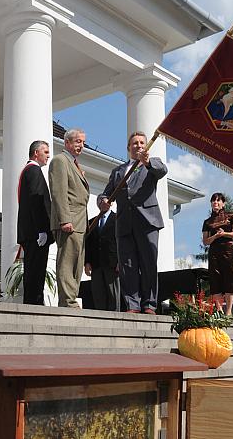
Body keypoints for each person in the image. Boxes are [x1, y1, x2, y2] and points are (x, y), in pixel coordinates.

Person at [100, 131, 167, 314]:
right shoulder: (118, 171)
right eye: (134, 143)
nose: (138, 145)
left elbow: (162, 171)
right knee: (128, 266)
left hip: (148, 221)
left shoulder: (153, 164)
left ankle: (149, 304)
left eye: (141, 143)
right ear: (128, 148)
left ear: (145, 146)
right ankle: (132, 304)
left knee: (148, 263)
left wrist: (147, 162)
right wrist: (102, 201)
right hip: (124, 224)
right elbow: (105, 194)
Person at [48, 128, 89, 308]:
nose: (81, 145)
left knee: (77, 264)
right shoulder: (60, 161)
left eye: (82, 142)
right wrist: (64, 219)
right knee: (67, 262)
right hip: (69, 221)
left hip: (79, 222)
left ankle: (71, 298)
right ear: (67, 143)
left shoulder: (74, 164)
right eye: (77, 141)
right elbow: (58, 192)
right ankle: (67, 301)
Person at [16, 140, 53, 305]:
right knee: (36, 272)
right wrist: (41, 229)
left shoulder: (27, 171)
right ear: (36, 153)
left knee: (32, 271)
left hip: (30, 231)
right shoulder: (34, 171)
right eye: (45, 152)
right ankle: (35, 304)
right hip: (35, 232)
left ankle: (32, 302)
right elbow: (37, 201)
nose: (48, 155)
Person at [202, 192, 233, 315]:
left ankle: (228, 311)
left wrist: (224, 234)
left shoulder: (231, 216)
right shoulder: (207, 222)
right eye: (213, 201)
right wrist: (215, 236)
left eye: (218, 201)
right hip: (214, 251)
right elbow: (205, 241)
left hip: (228, 250)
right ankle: (219, 310)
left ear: (223, 203)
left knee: (229, 279)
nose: (215, 203)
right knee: (215, 279)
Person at [84, 195, 120, 311]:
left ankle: (115, 320)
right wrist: (87, 262)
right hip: (96, 264)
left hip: (112, 263)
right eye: (98, 200)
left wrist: (120, 261)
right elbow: (88, 244)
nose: (101, 201)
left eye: (103, 199)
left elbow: (121, 242)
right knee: (98, 294)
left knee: (113, 294)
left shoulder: (118, 219)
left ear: (111, 202)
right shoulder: (92, 222)